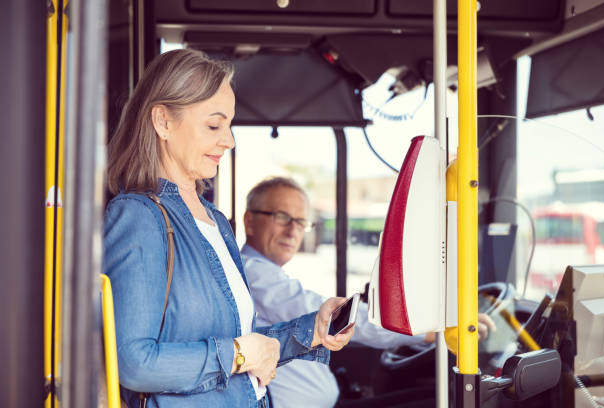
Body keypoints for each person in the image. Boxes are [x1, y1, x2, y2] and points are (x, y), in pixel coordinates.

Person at [103, 49, 354, 408]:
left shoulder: (215, 221)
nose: (229, 140)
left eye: (230, 125)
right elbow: (134, 364)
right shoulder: (138, 217)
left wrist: (310, 330)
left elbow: (245, 345)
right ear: (163, 122)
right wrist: (239, 354)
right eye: (214, 125)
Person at [241, 177, 496, 408]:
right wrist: (429, 327)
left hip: (331, 401)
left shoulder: (266, 273)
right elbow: (337, 319)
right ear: (249, 221)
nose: (293, 230)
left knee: (434, 399)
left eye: (300, 222)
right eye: (282, 217)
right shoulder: (253, 273)